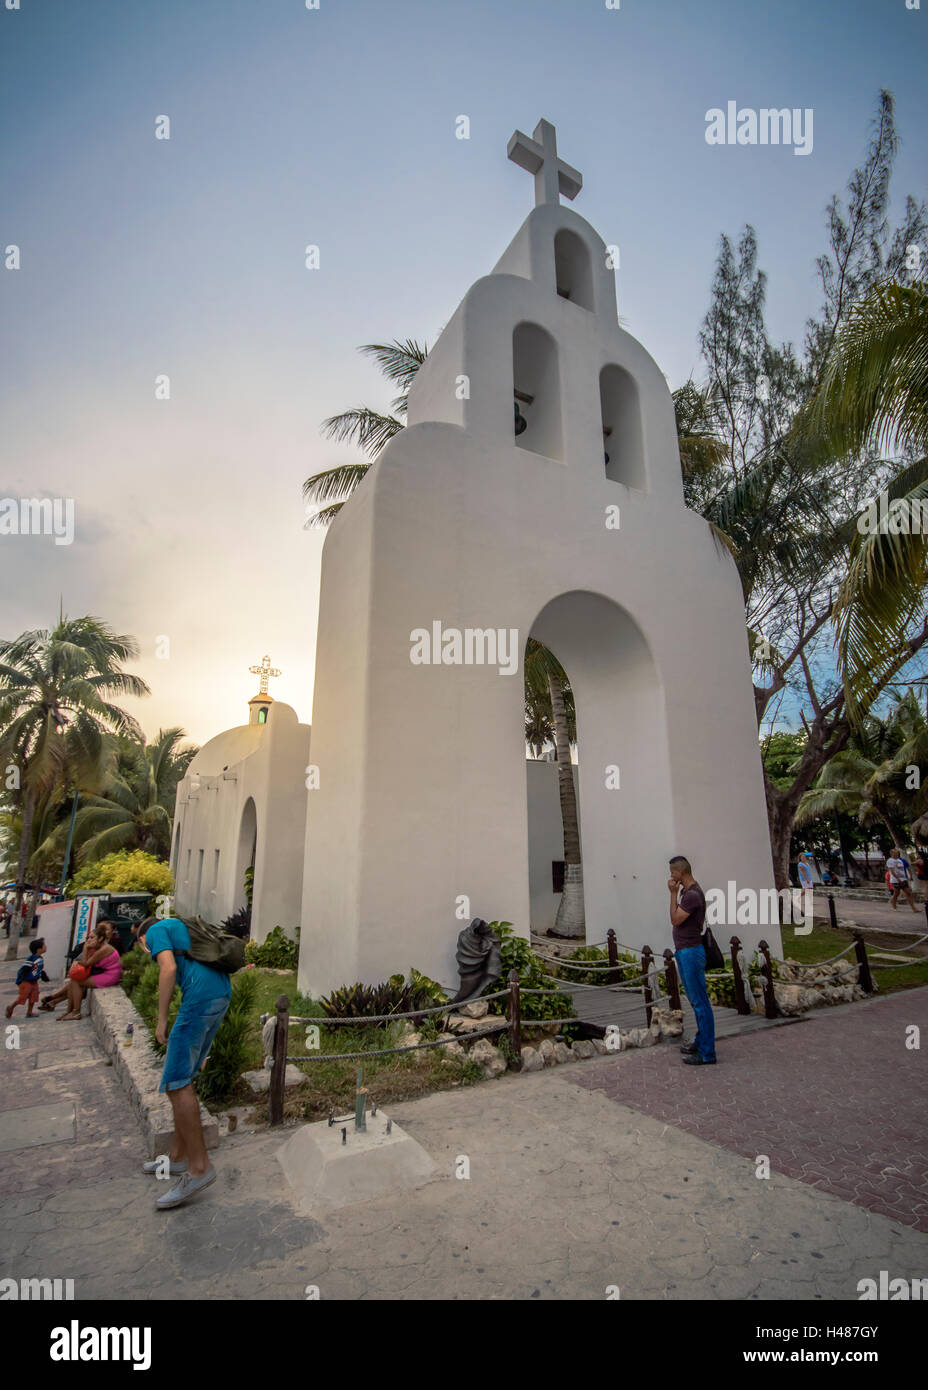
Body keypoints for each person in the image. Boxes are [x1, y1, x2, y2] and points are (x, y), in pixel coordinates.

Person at [136, 914, 231, 1210]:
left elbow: (168, 968)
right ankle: (177, 1159)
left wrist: (161, 1020)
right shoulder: (180, 925)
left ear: (142, 940)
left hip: (199, 1000)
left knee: (176, 1084)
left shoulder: (155, 933)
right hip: (221, 994)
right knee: (184, 1079)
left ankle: (200, 1169)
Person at [668, 855, 716, 1066]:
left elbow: (676, 919)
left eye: (672, 872)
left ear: (681, 872)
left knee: (700, 1002)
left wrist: (671, 894)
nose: (671, 876)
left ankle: (707, 1052)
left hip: (691, 952)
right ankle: (701, 1040)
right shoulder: (688, 892)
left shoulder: (692, 895)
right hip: (685, 951)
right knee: (696, 1000)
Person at [5, 938, 50, 1019]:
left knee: (34, 996)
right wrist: (21, 980)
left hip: (34, 981)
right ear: (39, 949)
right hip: (26, 981)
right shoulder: (31, 958)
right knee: (23, 997)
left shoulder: (40, 958)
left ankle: (29, 1012)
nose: (46, 947)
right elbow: (24, 969)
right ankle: (10, 1008)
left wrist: (43, 976)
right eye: (44, 946)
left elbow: (39, 969)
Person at [886, 846, 918, 913]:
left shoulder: (899, 860)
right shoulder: (890, 861)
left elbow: (904, 870)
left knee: (908, 892)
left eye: (897, 853)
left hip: (903, 879)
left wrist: (908, 877)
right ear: (892, 853)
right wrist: (897, 878)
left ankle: (914, 908)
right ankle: (894, 905)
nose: (897, 854)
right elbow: (892, 871)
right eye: (895, 853)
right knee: (896, 894)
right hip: (895, 880)